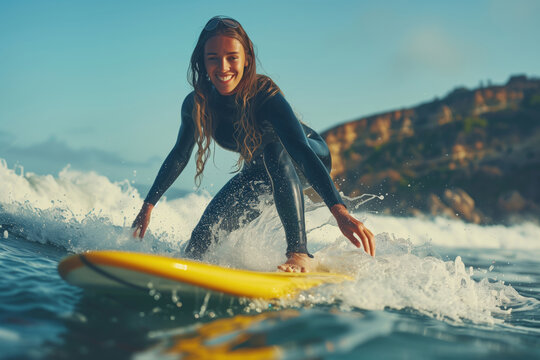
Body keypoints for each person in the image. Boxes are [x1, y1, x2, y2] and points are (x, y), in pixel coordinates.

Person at [132, 16, 375, 272]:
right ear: (202, 61)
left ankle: (299, 253)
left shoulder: (266, 96)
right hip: (260, 169)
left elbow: (300, 150)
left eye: (232, 57)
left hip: (306, 154)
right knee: (199, 242)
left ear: (246, 58)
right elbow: (180, 154)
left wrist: (339, 211)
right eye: (213, 57)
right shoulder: (197, 104)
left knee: (273, 148)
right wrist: (148, 206)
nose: (223, 66)